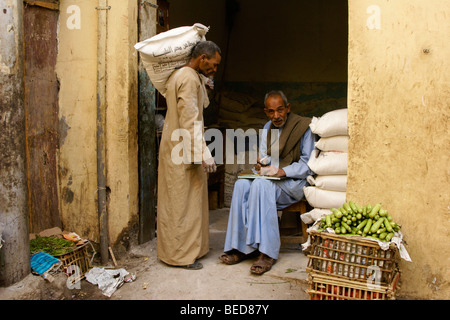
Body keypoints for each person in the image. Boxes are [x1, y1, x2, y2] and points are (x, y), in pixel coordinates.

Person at [219, 90, 316, 275]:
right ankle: (241, 247)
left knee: (260, 185)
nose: (276, 116)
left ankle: (266, 252)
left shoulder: (304, 127)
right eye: (271, 112)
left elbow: (308, 164)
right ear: (266, 112)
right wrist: (262, 163)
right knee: (241, 184)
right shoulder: (267, 128)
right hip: (272, 180)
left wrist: (282, 171)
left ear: (288, 108)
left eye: (280, 110)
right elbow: (266, 158)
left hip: (295, 182)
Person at [157, 41, 222, 270]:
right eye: (213, 65)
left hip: (174, 145)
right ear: (202, 58)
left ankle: (183, 250)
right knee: (183, 204)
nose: (214, 69)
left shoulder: (180, 75)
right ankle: (182, 256)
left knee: (179, 201)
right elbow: (190, 119)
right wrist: (203, 153)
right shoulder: (189, 78)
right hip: (183, 150)